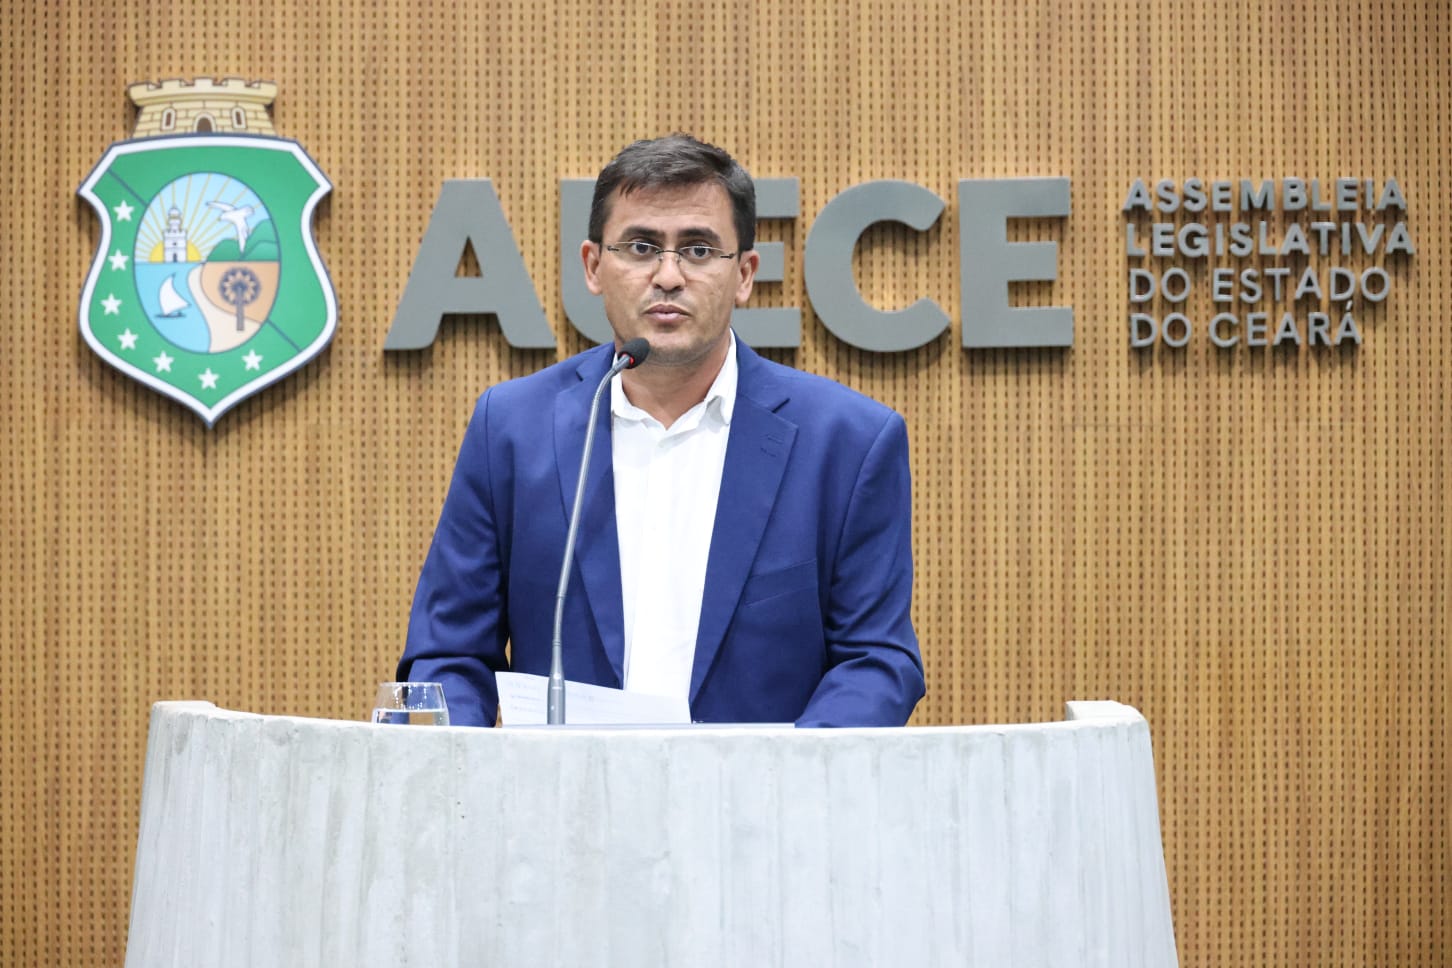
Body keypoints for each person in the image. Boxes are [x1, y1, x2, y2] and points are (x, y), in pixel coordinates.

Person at [397, 134, 924, 726]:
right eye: (642, 247)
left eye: (698, 250)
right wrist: (454, 757)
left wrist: (784, 774)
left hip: (765, 786)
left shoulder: (847, 443)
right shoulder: (513, 430)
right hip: (563, 786)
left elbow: (876, 661)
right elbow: (449, 653)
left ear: (745, 273)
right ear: (593, 267)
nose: (668, 276)